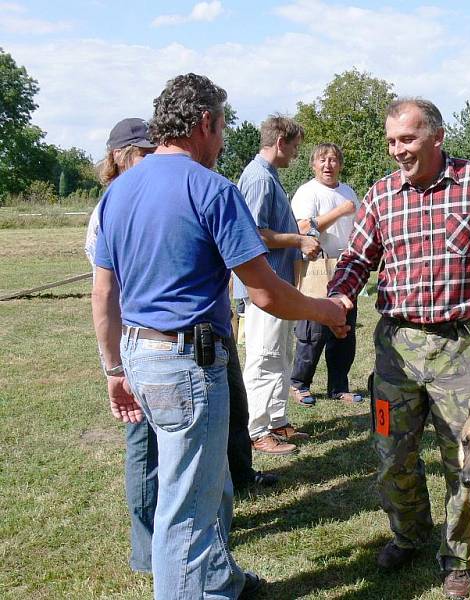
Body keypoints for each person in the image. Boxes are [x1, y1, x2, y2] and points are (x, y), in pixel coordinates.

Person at [91, 73, 351, 600]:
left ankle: (218, 580)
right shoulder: (212, 188)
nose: (224, 139)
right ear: (205, 123)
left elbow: (104, 294)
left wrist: (114, 369)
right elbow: (266, 294)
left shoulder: (119, 194)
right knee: (187, 506)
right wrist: (326, 310)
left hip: (140, 356)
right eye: (223, 126)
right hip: (187, 362)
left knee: (202, 485)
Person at [327, 98, 470, 599]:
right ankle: (408, 535)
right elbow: (356, 260)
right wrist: (339, 297)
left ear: (437, 135)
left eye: (406, 139)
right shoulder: (381, 195)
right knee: (390, 453)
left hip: (462, 348)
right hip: (397, 351)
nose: (397, 150)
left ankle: (455, 556)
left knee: (467, 460)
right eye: (391, 141)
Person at [85, 117, 157, 574]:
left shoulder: (143, 198)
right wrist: (113, 367)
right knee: (144, 443)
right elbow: (105, 292)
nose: (152, 160)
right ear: (119, 156)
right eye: (143, 153)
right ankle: (147, 549)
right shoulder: (110, 208)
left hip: (152, 338)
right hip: (133, 341)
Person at [232, 116, 321, 456]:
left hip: (277, 286)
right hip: (262, 288)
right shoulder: (257, 178)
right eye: (295, 148)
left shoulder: (269, 177)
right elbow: (253, 233)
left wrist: (295, 233)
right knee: (263, 357)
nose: (296, 155)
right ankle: (257, 430)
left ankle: (277, 421)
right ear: (280, 142)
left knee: (280, 355)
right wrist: (298, 240)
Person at [290, 143, 361, 405]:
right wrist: (340, 211)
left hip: (346, 270)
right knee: (314, 331)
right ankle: (299, 383)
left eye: (333, 160)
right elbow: (303, 227)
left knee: (344, 329)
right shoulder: (307, 192)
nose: (328, 165)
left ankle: (339, 386)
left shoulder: (348, 192)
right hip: (317, 270)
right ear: (313, 165)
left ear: (340, 164)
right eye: (323, 160)